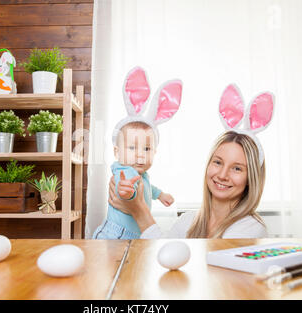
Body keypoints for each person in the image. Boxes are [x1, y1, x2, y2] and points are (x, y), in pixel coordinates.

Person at [107, 84, 274, 239]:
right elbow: (161, 254)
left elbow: (173, 254)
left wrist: (138, 211)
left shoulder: (251, 229)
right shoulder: (188, 221)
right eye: (217, 162)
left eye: (237, 168)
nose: (222, 175)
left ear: (250, 179)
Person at [92, 66, 183, 239]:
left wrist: (160, 194)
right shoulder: (124, 171)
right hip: (115, 235)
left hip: (134, 234)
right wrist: (126, 192)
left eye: (147, 149)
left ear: (155, 152)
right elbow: (123, 187)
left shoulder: (143, 175)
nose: (140, 154)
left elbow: (149, 188)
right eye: (132, 148)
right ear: (117, 152)